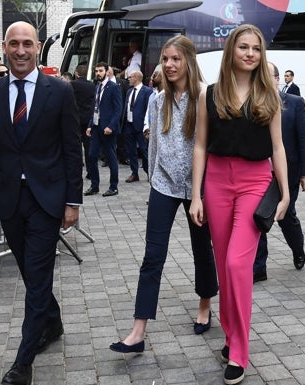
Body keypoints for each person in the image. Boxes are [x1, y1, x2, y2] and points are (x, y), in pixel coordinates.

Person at [0, 21, 82, 385]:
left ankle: (23, 363)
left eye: (27, 44)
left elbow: (71, 148)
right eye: (14, 44)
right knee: (32, 274)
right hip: (9, 201)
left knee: (37, 276)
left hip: (47, 199)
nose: (20, 50)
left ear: (37, 48)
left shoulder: (59, 92)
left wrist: (73, 201)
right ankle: (53, 320)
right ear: (4, 46)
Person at [189, 24, 290, 384]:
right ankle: (231, 337)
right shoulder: (209, 94)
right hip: (216, 182)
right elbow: (200, 145)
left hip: (254, 183)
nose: (250, 53)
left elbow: (277, 146)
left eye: (257, 49)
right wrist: (197, 194)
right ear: (232, 50)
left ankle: (240, 352)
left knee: (236, 264)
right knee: (221, 263)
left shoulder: (270, 94)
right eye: (244, 47)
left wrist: (286, 191)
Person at [110, 35, 218, 354]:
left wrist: (204, 190)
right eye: (165, 59)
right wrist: (152, 180)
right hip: (163, 186)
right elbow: (155, 144)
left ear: (188, 60)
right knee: (152, 256)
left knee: (202, 249)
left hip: (198, 188)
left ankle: (204, 305)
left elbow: (209, 147)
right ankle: (138, 331)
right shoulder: (158, 100)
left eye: (175, 59)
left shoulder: (204, 97)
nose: (169, 65)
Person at [253, 62, 305, 281]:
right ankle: (259, 268)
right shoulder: (252, 103)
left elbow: (304, 139)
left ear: (277, 79)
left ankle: (298, 249)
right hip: (259, 173)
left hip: (287, 172)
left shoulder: (294, 103)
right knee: (258, 216)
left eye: (267, 75)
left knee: (286, 217)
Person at [85, 61, 122, 197]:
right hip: (96, 127)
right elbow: (95, 108)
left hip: (108, 129)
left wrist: (111, 126)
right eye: (96, 71)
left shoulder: (113, 87)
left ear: (107, 71)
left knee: (111, 157)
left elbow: (118, 110)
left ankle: (114, 187)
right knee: (92, 155)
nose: (98, 73)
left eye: (100, 71)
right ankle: (94, 186)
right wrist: (90, 125)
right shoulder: (97, 87)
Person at [122, 70, 152, 182]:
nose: (129, 79)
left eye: (130, 77)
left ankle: (149, 172)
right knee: (131, 150)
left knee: (144, 150)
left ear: (136, 78)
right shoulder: (129, 91)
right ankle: (134, 173)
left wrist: (147, 125)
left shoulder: (147, 91)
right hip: (129, 124)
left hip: (141, 125)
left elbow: (148, 109)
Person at [70, 64, 96, 180]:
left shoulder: (72, 85)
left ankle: (76, 170)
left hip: (75, 120)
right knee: (88, 146)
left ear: (76, 73)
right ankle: (90, 171)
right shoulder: (92, 86)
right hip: (88, 120)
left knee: (75, 147)